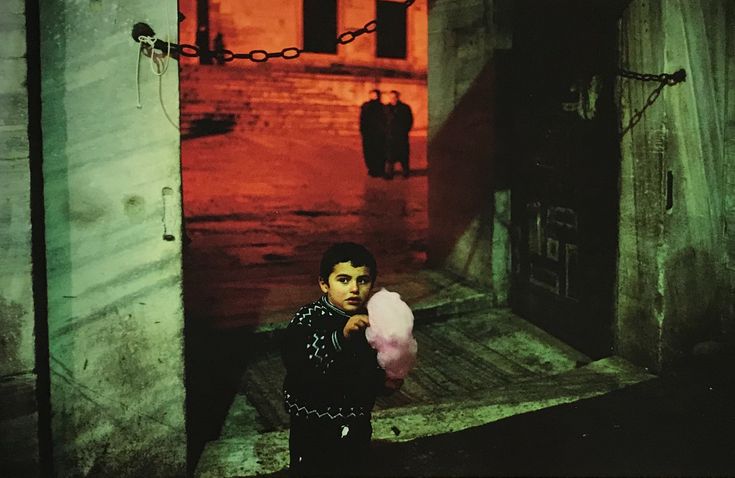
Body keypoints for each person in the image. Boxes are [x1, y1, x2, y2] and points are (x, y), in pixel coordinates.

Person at [282, 242, 403, 476]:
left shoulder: (372, 319)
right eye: (344, 280)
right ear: (324, 284)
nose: (354, 289)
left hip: (356, 415)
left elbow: (370, 365)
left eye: (363, 280)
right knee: (313, 467)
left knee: (353, 465)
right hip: (313, 417)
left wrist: (384, 382)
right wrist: (341, 336)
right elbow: (298, 359)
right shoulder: (309, 317)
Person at [385, 90, 414, 179]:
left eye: (394, 97)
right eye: (391, 97)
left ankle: (405, 172)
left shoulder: (405, 108)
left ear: (398, 97)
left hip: (401, 135)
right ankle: (389, 173)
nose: (392, 99)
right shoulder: (385, 108)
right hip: (389, 135)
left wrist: (405, 130)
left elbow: (409, 120)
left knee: (403, 154)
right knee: (389, 155)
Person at [359, 89, 388, 177]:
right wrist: (363, 130)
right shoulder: (366, 106)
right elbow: (362, 120)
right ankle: (372, 169)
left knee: (380, 152)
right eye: (372, 95)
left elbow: (385, 120)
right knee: (369, 152)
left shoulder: (382, 107)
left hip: (379, 134)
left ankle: (380, 169)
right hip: (369, 133)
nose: (373, 97)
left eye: (375, 95)